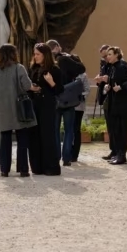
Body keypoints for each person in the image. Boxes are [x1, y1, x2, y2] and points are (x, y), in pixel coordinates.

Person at [0, 44, 36, 177]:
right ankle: (23, 169)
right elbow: (27, 85)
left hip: (2, 109)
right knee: (22, 139)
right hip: (19, 108)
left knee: (5, 140)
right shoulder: (19, 68)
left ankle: (4, 169)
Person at [28, 43, 64, 175]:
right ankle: (37, 166)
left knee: (47, 135)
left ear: (45, 55)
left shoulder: (54, 70)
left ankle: (51, 167)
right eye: (35, 53)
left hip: (47, 106)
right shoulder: (34, 68)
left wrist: (51, 82)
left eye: (38, 54)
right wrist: (32, 88)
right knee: (34, 135)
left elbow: (59, 90)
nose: (35, 56)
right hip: (34, 104)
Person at [49, 39, 85, 167]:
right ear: (58, 47)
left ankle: (56, 156)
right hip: (69, 98)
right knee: (69, 130)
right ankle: (67, 158)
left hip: (55, 99)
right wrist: (71, 59)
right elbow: (81, 68)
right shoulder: (64, 59)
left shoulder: (48, 62)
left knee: (55, 130)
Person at [98, 46, 127, 165]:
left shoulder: (122, 65)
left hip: (122, 104)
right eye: (107, 55)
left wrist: (121, 87)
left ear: (116, 55)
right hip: (114, 102)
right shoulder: (112, 67)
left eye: (109, 54)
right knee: (115, 129)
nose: (107, 57)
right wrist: (107, 86)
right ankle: (117, 153)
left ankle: (122, 155)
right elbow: (113, 81)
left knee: (122, 130)